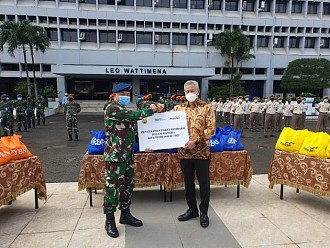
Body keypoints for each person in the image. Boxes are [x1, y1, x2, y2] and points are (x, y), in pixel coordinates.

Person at [103, 83, 163, 238]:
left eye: (127, 93)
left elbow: (132, 131)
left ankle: (125, 214)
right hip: (115, 157)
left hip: (127, 156)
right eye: (122, 93)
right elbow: (135, 116)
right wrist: (153, 108)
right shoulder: (111, 108)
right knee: (112, 188)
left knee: (127, 186)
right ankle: (109, 220)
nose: (125, 96)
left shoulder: (122, 110)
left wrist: (147, 144)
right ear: (114, 95)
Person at [173, 80, 215, 228]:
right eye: (187, 91)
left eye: (193, 91)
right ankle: (192, 209)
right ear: (184, 93)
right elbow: (167, 125)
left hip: (201, 152)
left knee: (204, 183)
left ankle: (204, 212)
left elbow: (210, 129)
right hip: (184, 153)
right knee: (188, 183)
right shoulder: (178, 109)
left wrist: (195, 141)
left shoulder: (207, 108)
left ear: (198, 91)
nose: (190, 94)